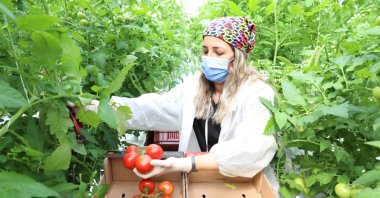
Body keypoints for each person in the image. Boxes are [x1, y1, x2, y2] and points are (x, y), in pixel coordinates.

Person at [86, 16, 279, 193]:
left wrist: (190, 163)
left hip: (244, 182)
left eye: (218, 52)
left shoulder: (258, 93)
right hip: (199, 181)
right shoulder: (194, 88)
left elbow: (253, 146)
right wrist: (95, 107)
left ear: (238, 56)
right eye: (205, 51)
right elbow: (153, 109)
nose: (209, 57)